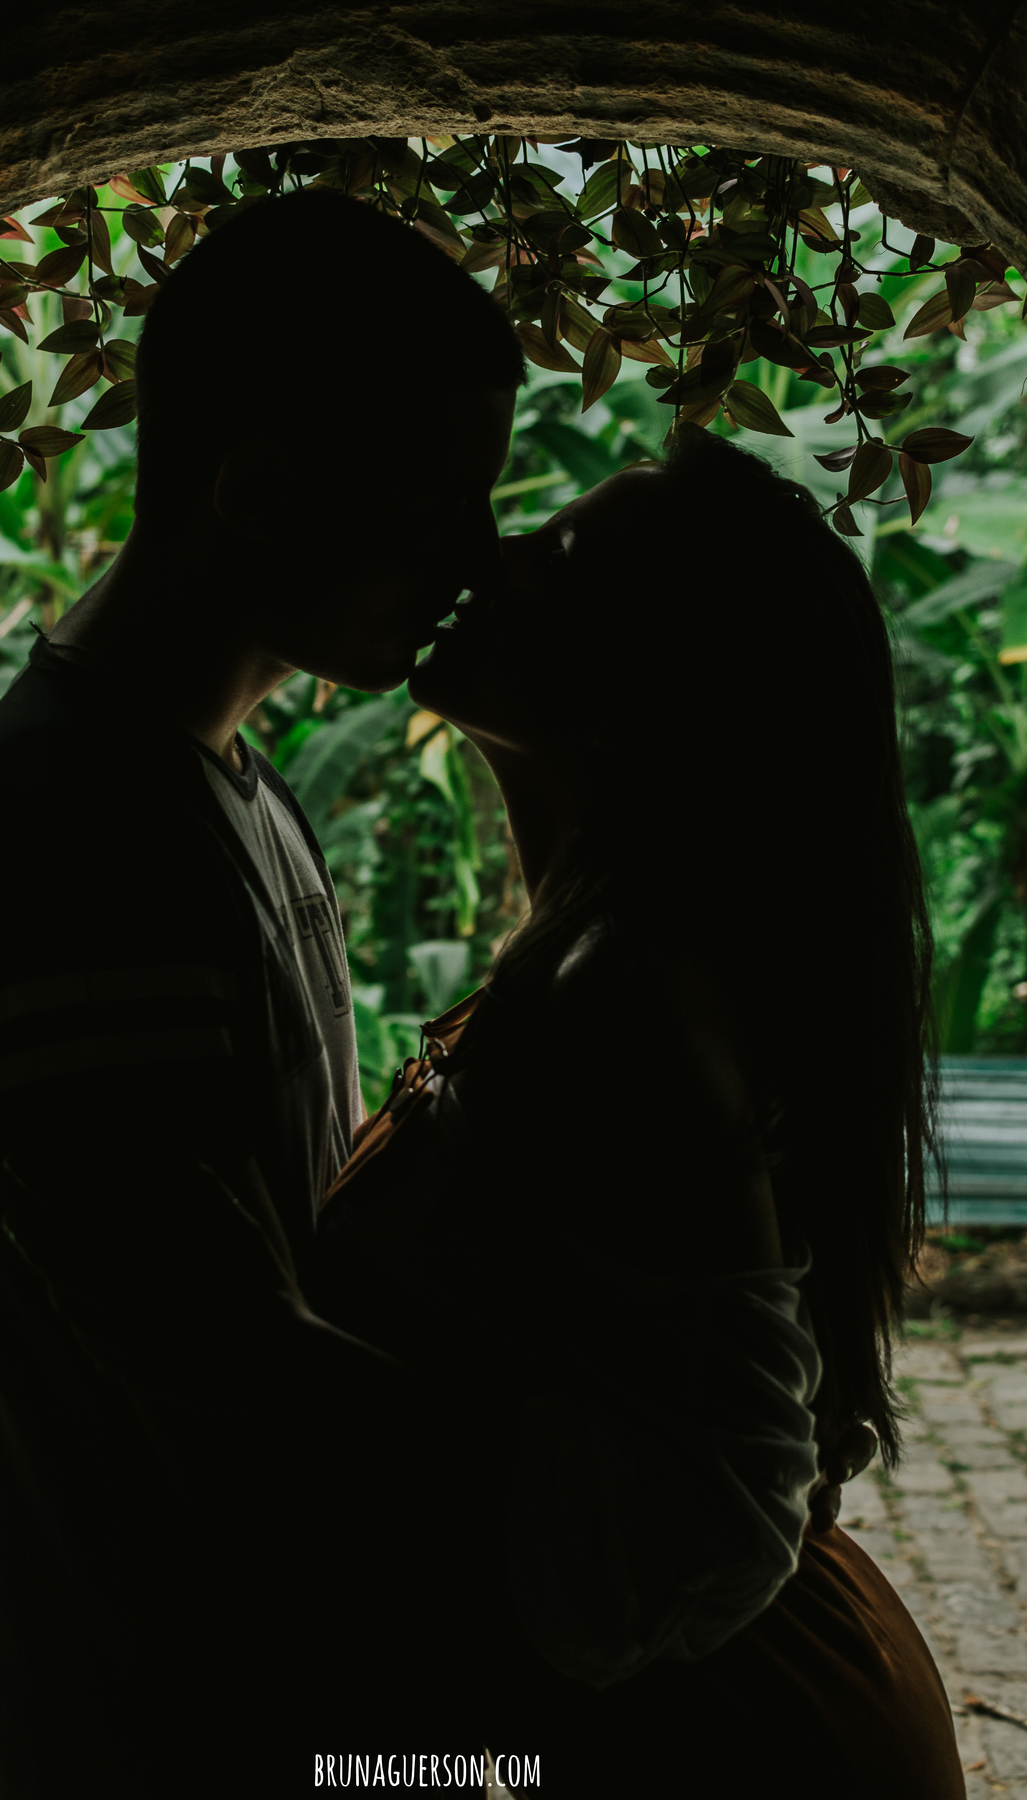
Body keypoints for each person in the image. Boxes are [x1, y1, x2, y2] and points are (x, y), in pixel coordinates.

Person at [0, 188, 521, 1795]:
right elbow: (228, 1371)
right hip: (180, 1722)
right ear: (263, 495)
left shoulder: (216, 788)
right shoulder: (77, 834)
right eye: (439, 503)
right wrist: (624, 1496)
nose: (479, 553)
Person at [309, 429, 965, 1797]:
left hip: (715, 1740)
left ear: (641, 681)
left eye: (549, 561)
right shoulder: (616, 961)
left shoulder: (618, 1001)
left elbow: (719, 1513)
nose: (485, 555)